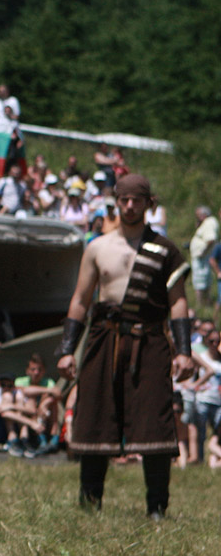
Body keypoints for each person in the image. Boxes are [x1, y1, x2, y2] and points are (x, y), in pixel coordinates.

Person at [56, 174, 193, 520]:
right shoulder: (97, 247)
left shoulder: (165, 250)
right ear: (115, 202)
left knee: (155, 418)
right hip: (105, 339)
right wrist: (67, 349)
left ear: (150, 203)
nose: (130, 206)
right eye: (124, 200)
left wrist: (183, 351)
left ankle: (157, 509)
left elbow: (178, 304)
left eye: (137, 200)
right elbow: (81, 300)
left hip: (150, 341)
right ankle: (90, 504)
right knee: (95, 415)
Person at [190, 206, 218, 310]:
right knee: (202, 280)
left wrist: (203, 252)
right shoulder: (206, 223)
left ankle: (202, 304)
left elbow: (211, 239)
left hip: (202, 257)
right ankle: (204, 303)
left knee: (201, 281)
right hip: (201, 256)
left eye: (198, 215)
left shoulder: (209, 222)